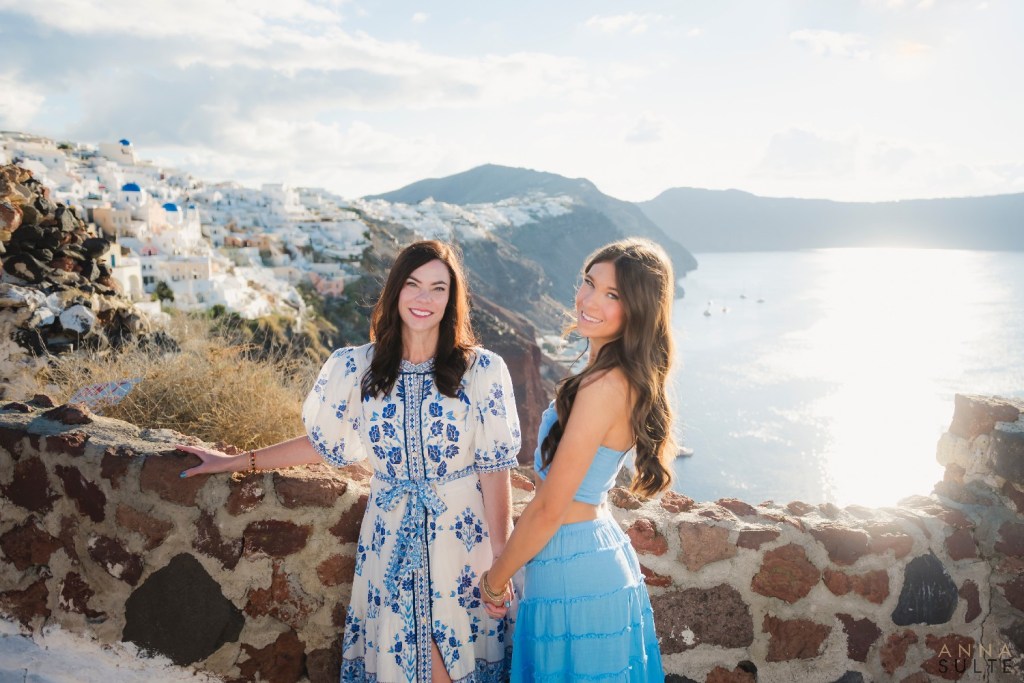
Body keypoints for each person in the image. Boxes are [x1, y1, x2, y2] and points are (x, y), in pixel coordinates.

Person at [178, 240, 522, 683]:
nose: (424, 298)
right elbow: (324, 444)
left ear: (451, 299)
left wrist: (502, 560)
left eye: (438, 288)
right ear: (395, 291)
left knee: (455, 666)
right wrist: (234, 461)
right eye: (413, 284)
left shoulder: (482, 371)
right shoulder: (358, 368)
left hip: (460, 539)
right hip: (389, 534)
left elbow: (495, 468)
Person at [478, 238, 674, 682]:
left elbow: (550, 507)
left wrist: (496, 579)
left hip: (574, 572)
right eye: (589, 283)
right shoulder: (613, 376)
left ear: (637, 310)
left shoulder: (603, 386)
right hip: (592, 555)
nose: (588, 300)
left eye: (612, 295)